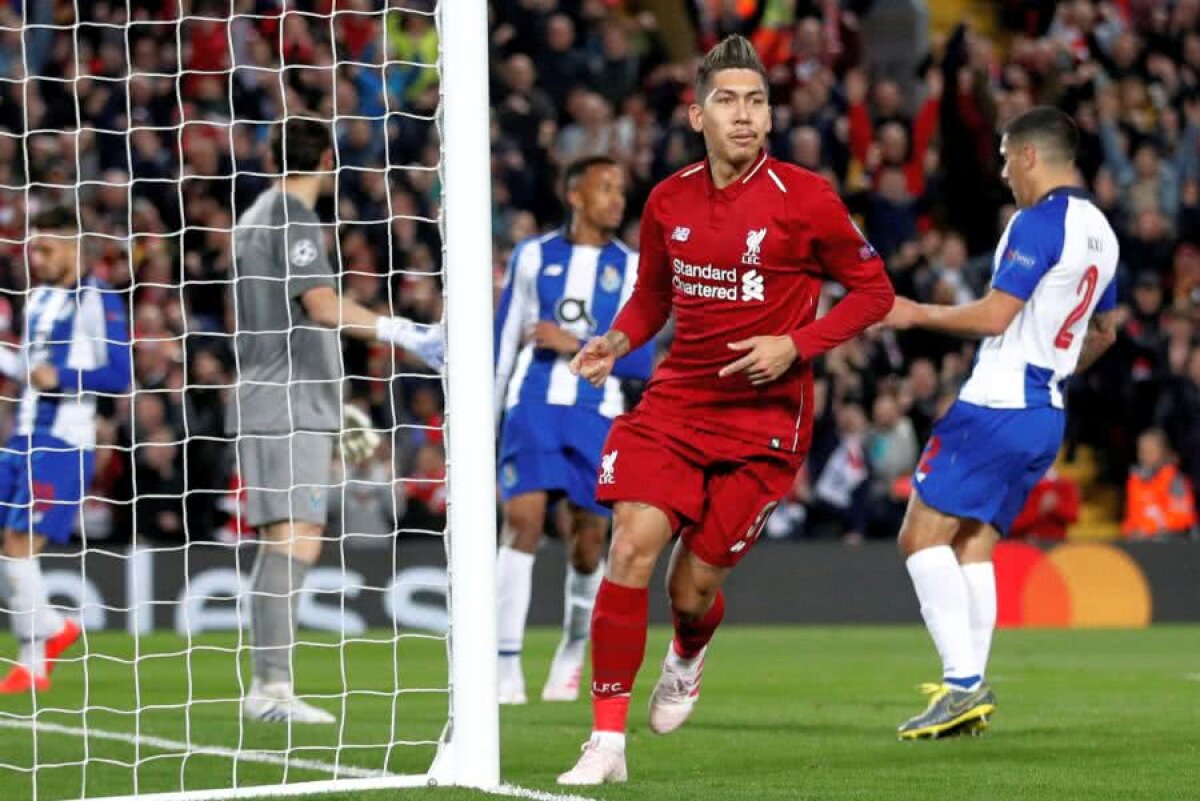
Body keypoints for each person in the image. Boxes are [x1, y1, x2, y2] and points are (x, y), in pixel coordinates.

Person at [557, 35, 894, 785]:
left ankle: (687, 650)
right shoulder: (668, 198)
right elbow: (652, 297)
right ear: (696, 114)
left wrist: (797, 345)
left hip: (765, 421)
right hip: (677, 403)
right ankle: (606, 742)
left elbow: (875, 292)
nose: (743, 116)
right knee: (630, 544)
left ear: (770, 116)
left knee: (691, 588)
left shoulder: (806, 199)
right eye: (726, 100)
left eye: (756, 101)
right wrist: (617, 337)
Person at [882, 107, 1121, 739]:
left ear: (1030, 157)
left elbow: (993, 318)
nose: (1002, 169)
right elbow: (1106, 331)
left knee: (920, 536)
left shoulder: (1036, 223)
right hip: (1045, 414)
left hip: (996, 404)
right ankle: (971, 689)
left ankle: (962, 686)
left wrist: (912, 312)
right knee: (973, 543)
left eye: (1006, 156)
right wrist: (1058, 369)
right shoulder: (1102, 230)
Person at [231, 117, 443, 724]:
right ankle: (270, 688)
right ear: (327, 157)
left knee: (288, 536)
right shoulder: (292, 217)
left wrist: (337, 394)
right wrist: (401, 330)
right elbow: (320, 305)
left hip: (287, 393)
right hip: (287, 398)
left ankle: (270, 684)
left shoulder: (252, 219)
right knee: (293, 537)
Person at [493, 154, 653, 705]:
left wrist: (576, 343)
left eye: (621, 189)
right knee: (523, 521)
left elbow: (642, 361)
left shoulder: (633, 268)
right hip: (532, 401)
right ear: (575, 195)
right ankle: (504, 665)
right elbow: (503, 338)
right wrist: (481, 425)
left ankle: (571, 647)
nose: (617, 198)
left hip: (597, 413)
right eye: (605, 187)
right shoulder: (533, 255)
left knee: (589, 544)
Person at [0, 205, 132, 693]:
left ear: (75, 247)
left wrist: (66, 377)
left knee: (18, 549)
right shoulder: (39, 299)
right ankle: (40, 654)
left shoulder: (98, 298)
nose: (38, 256)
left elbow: (120, 375)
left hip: (63, 439)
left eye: (48, 248)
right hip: (22, 433)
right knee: (13, 551)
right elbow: (28, 372)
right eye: (34, 248)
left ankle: (39, 651)